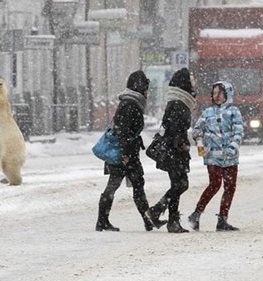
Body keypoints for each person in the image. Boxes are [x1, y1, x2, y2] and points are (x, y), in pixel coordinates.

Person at [95, 70, 167, 232]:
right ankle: (104, 221)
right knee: (126, 185)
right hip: (125, 154)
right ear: (139, 87)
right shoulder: (130, 104)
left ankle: (105, 220)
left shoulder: (130, 102)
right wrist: (126, 154)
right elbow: (124, 131)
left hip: (126, 152)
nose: (147, 92)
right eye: (146, 88)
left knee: (128, 184)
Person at [188, 81, 244, 231]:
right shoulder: (207, 113)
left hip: (230, 156)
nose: (216, 96)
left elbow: (238, 132)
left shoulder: (234, 112)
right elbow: (197, 129)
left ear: (228, 94)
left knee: (230, 186)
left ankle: (222, 219)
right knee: (215, 184)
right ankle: (196, 213)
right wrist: (199, 137)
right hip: (212, 155)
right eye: (214, 93)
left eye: (220, 93)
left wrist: (233, 147)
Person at [148, 67, 197, 233]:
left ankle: (161, 214)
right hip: (175, 151)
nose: (193, 81)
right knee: (180, 184)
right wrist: (180, 144)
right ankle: (168, 219)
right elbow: (175, 127)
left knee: (178, 184)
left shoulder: (179, 101)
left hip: (174, 150)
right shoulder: (178, 103)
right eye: (191, 78)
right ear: (184, 82)